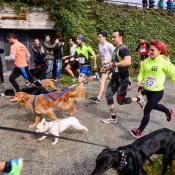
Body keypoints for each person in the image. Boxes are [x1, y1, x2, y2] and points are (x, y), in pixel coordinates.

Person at [130, 39, 175, 138]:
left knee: (147, 110)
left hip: (157, 92)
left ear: (159, 51)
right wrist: (139, 80)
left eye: (152, 50)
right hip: (147, 90)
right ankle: (168, 111)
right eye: (149, 50)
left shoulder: (164, 62)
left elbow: (173, 73)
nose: (149, 52)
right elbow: (142, 72)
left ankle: (139, 131)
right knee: (153, 106)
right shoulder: (146, 61)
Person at [102, 29, 132, 124]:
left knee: (120, 101)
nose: (112, 38)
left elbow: (127, 62)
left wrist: (113, 65)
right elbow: (114, 64)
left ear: (120, 37)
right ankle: (113, 117)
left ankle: (139, 99)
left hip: (123, 79)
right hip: (115, 77)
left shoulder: (123, 48)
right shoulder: (116, 49)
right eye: (112, 36)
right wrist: (107, 68)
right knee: (108, 95)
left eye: (114, 37)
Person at [90, 31, 114, 104]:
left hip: (108, 65)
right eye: (98, 37)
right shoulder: (100, 45)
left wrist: (109, 62)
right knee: (105, 79)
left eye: (100, 37)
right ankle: (123, 79)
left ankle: (98, 98)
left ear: (104, 37)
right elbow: (101, 54)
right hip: (104, 65)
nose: (98, 38)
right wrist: (95, 56)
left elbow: (115, 54)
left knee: (102, 81)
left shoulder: (109, 45)